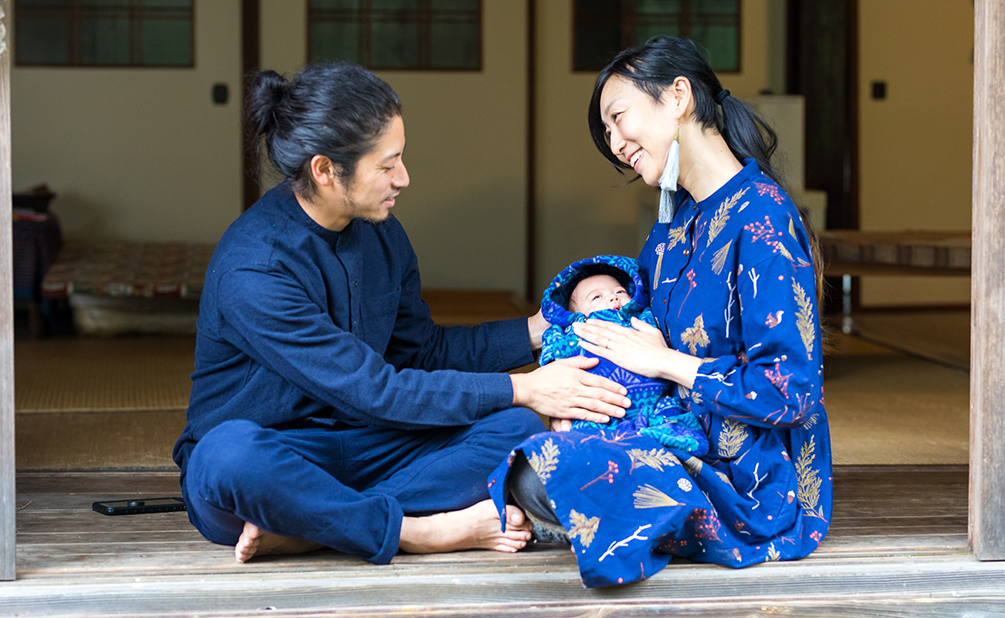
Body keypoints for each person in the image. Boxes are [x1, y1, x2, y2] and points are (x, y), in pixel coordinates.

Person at [173, 62, 631, 566]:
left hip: (370, 449)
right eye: (387, 164)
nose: (404, 178)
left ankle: (311, 526)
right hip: (280, 453)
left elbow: (423, 353)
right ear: (325, 171)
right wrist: (527, 384)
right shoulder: (254, 266)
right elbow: (371, 389)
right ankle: (416, 531)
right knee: (227, 458)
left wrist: (537, 332)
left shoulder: (381, 233)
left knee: (515, 427)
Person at [488, 36, 832, 588]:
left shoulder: (763, 218)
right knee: (506, 439)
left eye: (619, 118)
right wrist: (584, 393)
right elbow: (628, 346)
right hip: (659, 436)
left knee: (546, 472)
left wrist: (667, 363)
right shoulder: (669, 232)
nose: (615, 141)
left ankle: (619, 517)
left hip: (745, 479)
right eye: (606, 132)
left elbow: (791, 392)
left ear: (678, 96)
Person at [536, 254, 707, 453]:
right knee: (581, 437)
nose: (613, 297)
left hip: (648, 403)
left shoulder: (640, 319)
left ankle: (651, 439)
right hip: (596, 407)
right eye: (596, 297)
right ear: (575, 313)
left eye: (620, 291)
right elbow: (553, 353)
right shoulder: (578, 329)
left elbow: (655, 337)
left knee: (673, 418)